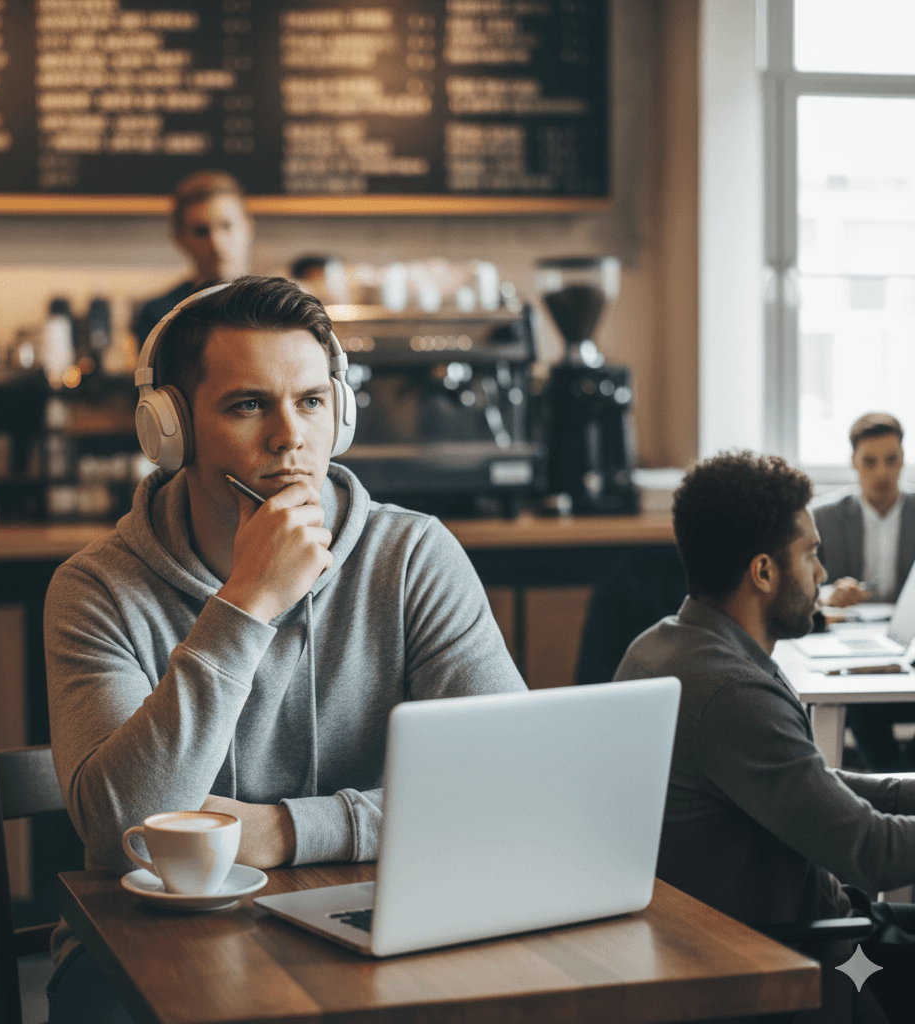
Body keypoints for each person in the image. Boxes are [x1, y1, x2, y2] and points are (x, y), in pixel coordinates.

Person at [44, 276, 526, 1022]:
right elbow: (126, 837)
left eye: (310, 401)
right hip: (151, 946)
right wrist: (247, 602)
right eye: (247, 405)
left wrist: (283, 830)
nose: (290, 438)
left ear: (341, 409)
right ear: (167, 430)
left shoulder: (414, 557)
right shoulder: (95, 589)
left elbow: (508, 787)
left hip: (369, 918)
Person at [614, 451, 915, 1024]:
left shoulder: (664, 647)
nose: (822, 575)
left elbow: (811, 784)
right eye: (812, 555)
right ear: (764, 572)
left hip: (792, 932)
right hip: (807, 954)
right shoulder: (732, 693)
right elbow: (870, 851)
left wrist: (904, 787)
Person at [814, 413, 915, 771]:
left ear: (903, 458)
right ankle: (898, 783)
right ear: (853, 463)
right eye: (869, 462)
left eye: (892, 460)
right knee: (858, 701)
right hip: (852, 641)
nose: (882, 473)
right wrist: (828, 594)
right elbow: (804, 588)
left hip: (908, 642)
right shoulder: (824, 517)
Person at [132, 169, 254, 346]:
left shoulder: (280, 306)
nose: (216, 243)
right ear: (180, 238)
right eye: (201, 231)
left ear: (248, 227)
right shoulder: (162, 316)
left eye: (227, 226)